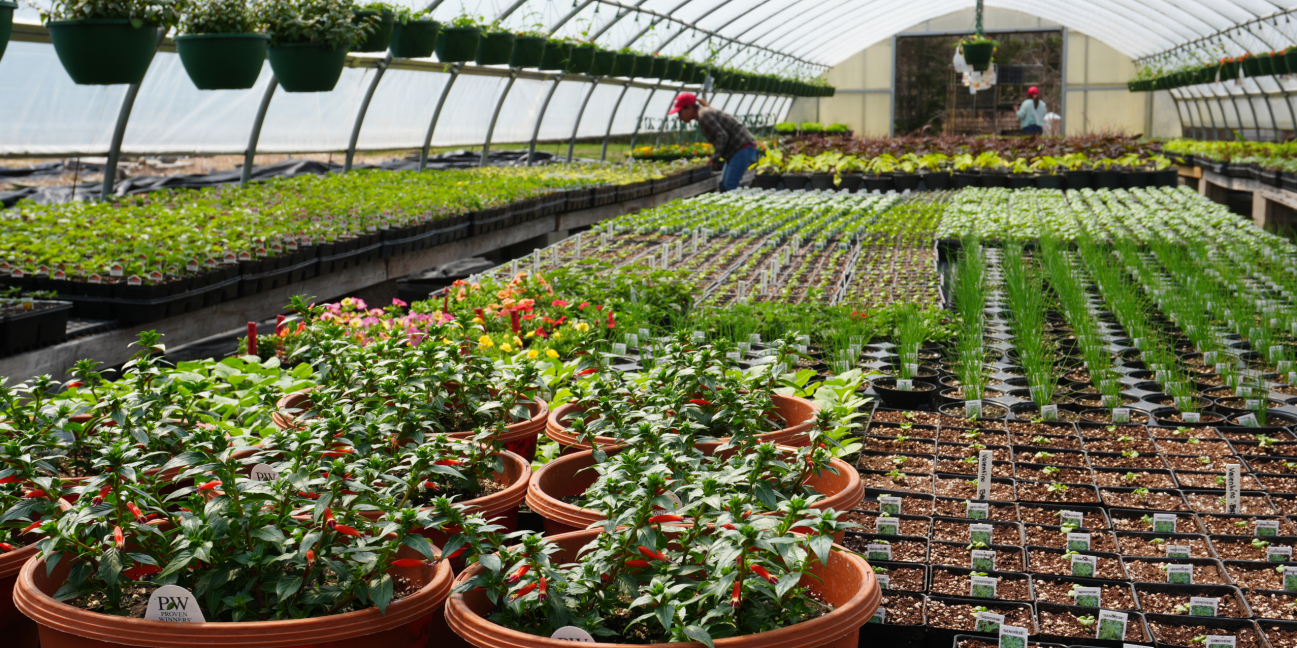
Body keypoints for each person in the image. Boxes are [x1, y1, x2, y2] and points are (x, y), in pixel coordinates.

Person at [669, 92, 759, 192]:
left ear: (689, 108)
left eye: (680, 112)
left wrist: (714, 159)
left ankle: (741, 201)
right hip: (738, 149)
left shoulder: (704, 115)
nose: (679, 117)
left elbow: (722, 136)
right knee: (723, 185)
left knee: (730, 185)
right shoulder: (703, 114)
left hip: (742, 147)